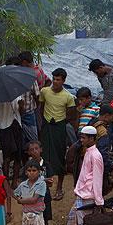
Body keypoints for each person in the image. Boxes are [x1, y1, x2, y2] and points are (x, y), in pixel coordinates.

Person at [61, 127, 106, 225]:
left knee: (92, 221)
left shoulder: (96, 155)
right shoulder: (88, 152)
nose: (81, 140)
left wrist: (99, 201)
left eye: (83, 137)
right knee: (73, 217)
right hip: (82, 192)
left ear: (91, 138)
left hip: (89, 194)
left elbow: (97, 179)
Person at [38, 68, 77, 201]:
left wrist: (61, 122)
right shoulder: (44, 91)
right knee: (44, 155)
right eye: (54, 79)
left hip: (59, 127)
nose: (55, 82)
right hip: (46, 126)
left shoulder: (68, 97)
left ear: (63, 81)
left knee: (59, 155)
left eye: (58, 80)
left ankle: (59, 187)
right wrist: (43, 123)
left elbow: (71, 115)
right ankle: (43, 186)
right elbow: (41, 108)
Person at [23, 141, 53, 225]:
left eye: (36, 148)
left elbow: (51, 182)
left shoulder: (46, 164)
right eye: (32, 149)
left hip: (45, 199)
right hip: (30, 201)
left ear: (41, 149)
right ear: (29, 152)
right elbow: (24, 183)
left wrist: (38, 180)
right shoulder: (27, 166)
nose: (35, 151)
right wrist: (42, 180)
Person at [0, 96, 24, 188]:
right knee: (6, 157)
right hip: (4, 128)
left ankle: (14, 182)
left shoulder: (18, 95)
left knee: (18, 157)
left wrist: (21, 107)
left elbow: (21, 112)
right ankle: (6, 182)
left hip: (17, 126)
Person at [17, 62, 41, 147]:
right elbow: (37, 96)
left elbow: (37, 96)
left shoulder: (31, 78)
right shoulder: (31, 78)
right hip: (22, 113)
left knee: (32, 140)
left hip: (25, 113)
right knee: (27, 140)